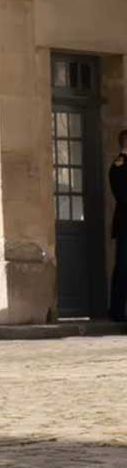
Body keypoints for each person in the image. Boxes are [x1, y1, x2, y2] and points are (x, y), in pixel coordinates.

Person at [110, 129, 126, 324]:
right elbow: (122, 195)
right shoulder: (119, 165)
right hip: (125, 224)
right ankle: (117, 311)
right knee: (123, 268)